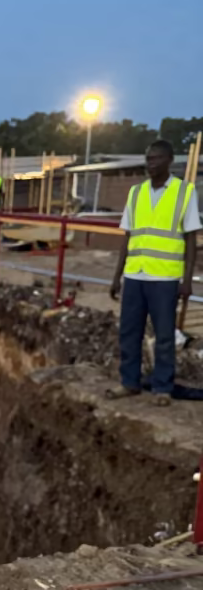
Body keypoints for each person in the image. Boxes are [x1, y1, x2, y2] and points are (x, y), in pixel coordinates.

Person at [109, 139, 200, 406]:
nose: (151, 163)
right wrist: (117, 276)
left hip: (165, 278)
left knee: (164, 335)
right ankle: (129, 382)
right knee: (129, 332)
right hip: (135, 274)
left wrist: (186, 280)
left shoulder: (185, 192)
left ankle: (162, 387)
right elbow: (128, 236)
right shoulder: (136, 193)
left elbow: (191, 238)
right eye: (148, 158)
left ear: (170, 160)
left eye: (156, 158)